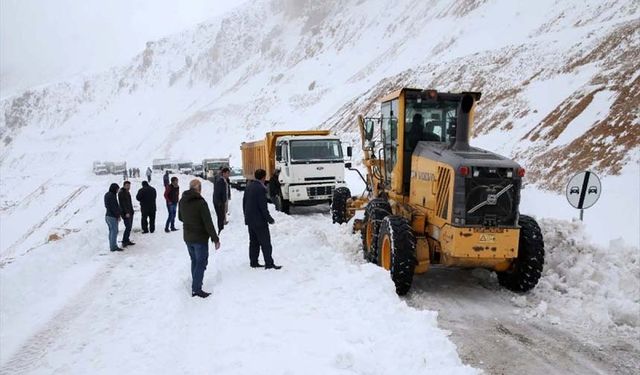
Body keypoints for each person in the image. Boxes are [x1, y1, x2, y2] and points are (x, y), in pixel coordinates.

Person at [178, 179, 221, 298]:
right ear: (199, 189)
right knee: (201, 263)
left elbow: (180, 218)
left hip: (188, 237)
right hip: (200, 238)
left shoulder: (182, 200)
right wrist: (215, 239)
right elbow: (208, 223)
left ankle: (196, 284)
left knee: (195, 261)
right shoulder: (201, 203)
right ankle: (196, 289)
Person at [243, 169, 281, 270]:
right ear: (264, 177)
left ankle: (253, 262)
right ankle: (269, 263)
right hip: (259, 221)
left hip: (250, 220)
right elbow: (263, 207)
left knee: (253, 242)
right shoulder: (261, 189)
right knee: (265, 243)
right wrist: (269, 219)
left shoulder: (249, 187)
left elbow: (244, 203)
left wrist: (246, 216)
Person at [104, 183, 123, 252]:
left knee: (111, 231)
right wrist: (118, 216)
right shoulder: (112, 196)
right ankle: (113, 247)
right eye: (117, 189)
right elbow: (114, 207)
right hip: (112, 216)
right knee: (114, 231)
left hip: (107, 216)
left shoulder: (107, 194)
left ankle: (112, 245)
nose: (118, 191)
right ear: (114, 188)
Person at [213, 167, 230, 233]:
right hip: (219, 203)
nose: (228, 175)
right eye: (227, 173)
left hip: (222, 201)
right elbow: (217, 192)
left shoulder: (224, 180)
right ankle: (220, 231)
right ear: (223, 173)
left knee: (222, 216)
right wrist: (219, 202)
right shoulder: (220, 181)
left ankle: (221, 230)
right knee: (220, 217)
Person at [118, 181, 135, 247]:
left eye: (129, 185)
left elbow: (129, 203)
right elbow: (123, 204)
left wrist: (131, 211)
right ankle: (124, 241)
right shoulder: (121, 193)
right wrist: (126, 212)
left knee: (129, 227)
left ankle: (127, 240)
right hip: (125, 213)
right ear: (124, 185)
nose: (129, 187)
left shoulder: (127, 192)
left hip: (130, 212)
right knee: (128, 227)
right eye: (127, 185)